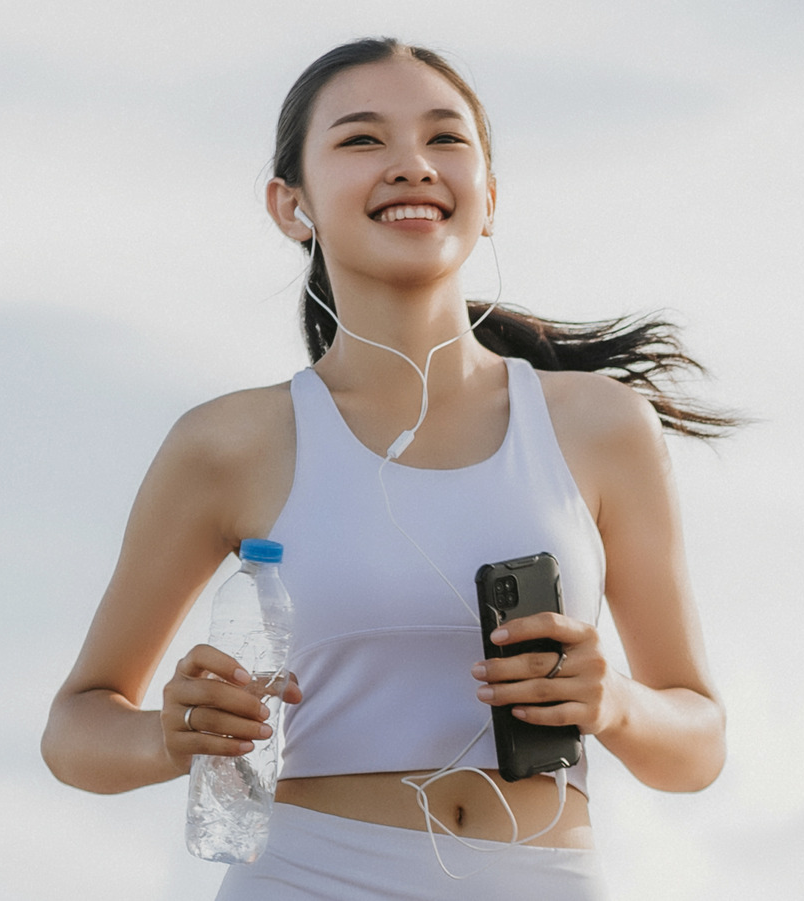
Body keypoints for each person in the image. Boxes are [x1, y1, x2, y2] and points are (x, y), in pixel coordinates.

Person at [42, 37, 736, 900]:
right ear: (290, 205)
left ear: (489, 197)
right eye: (363, 140)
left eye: (446, 139)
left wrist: (616, 701)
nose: (412, 165)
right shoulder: (227, 443)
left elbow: (698, 744)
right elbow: (75, 727)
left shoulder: (601, 426)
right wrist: (167, 734)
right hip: (304, 878)